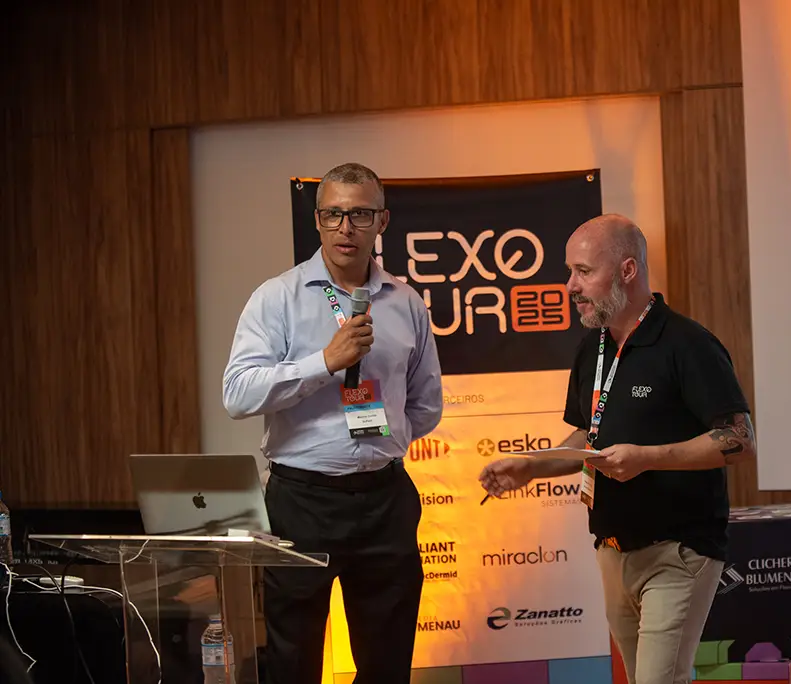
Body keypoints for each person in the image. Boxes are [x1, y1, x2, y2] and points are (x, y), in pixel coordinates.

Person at [478, 214, 756, 684]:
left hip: (678, 551)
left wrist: (647, 457)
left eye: (583, 272)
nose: (570, 286)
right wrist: (531, 467)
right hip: (612, 549)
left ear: (628, 270)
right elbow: (588, 436)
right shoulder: (594, 348)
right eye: (570, 272)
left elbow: (740, 440)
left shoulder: (687, 344)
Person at [223, 163, 443, 684]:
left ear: (382, 221)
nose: (346, 228)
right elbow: (238, 394)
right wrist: (323, 363)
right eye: (333, 214)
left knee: (387, 664)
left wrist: (379, 446)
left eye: (360, 214)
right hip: (302, 504)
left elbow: (425, 404)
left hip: (385, 502)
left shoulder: (406, 302)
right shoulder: (277, 297)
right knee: (294, 661)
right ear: (317, 220)